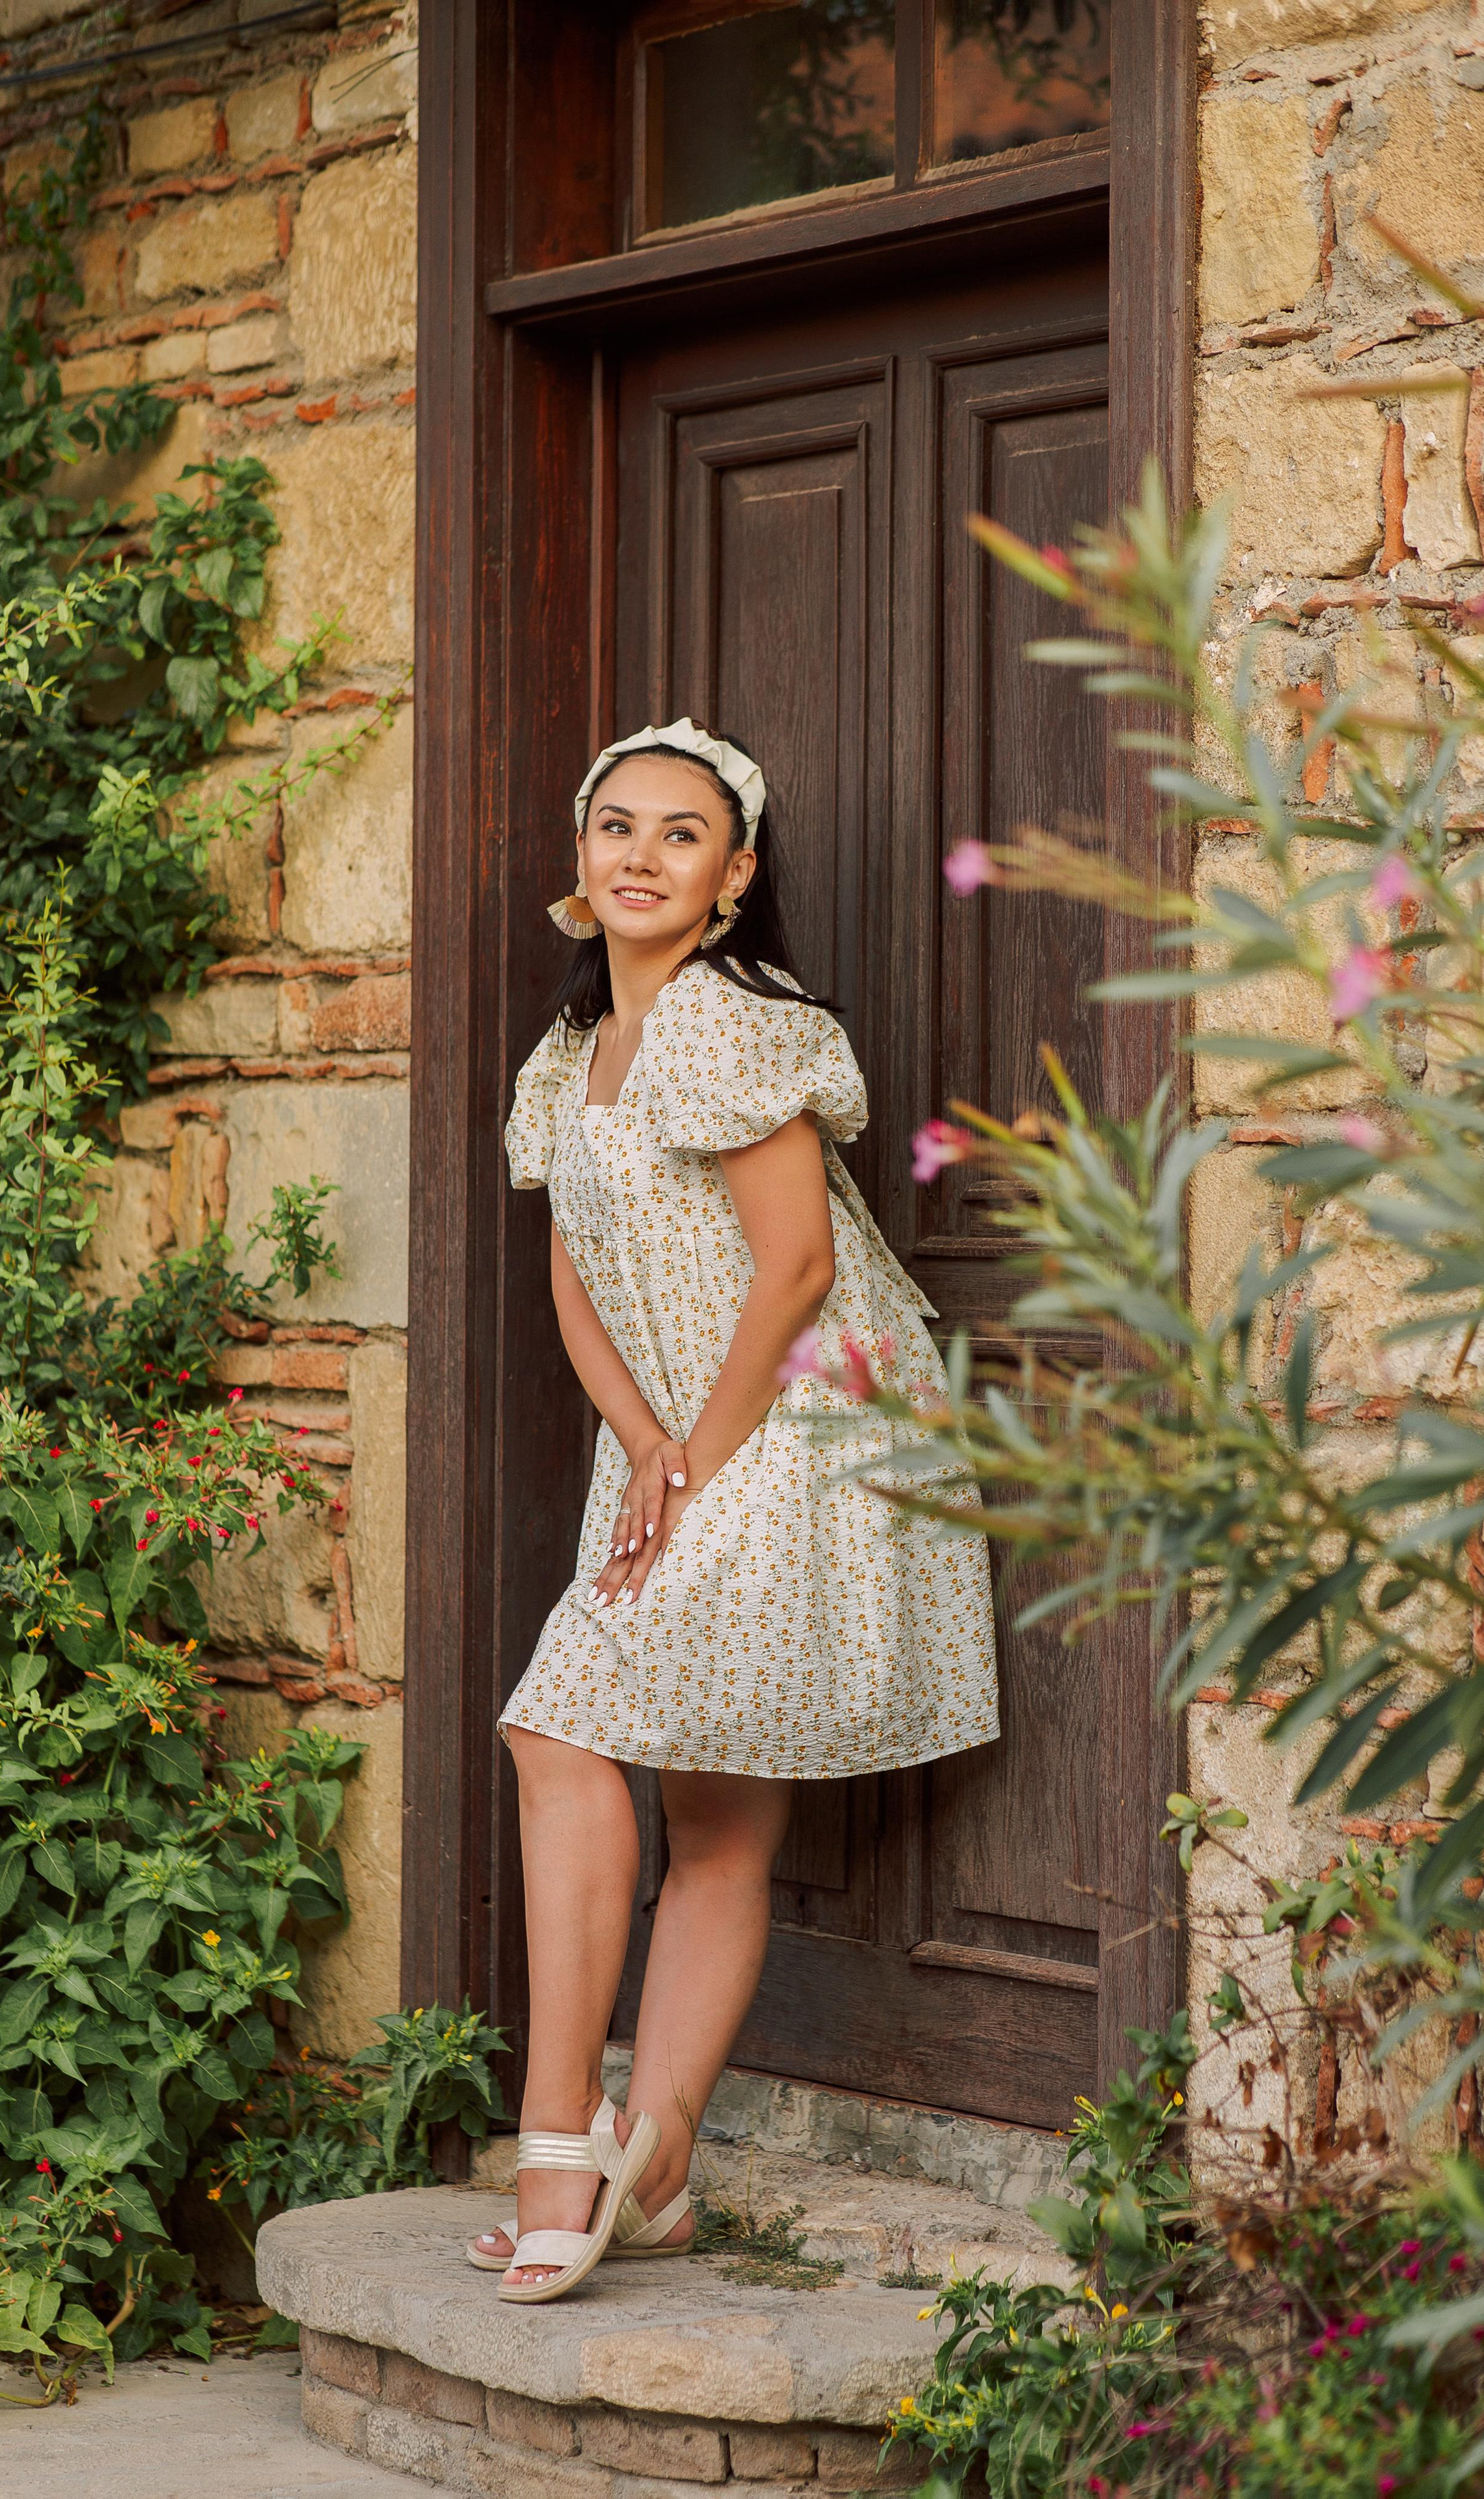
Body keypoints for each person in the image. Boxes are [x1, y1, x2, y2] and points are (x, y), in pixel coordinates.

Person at [470, 718, 997, 2304]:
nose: (636, 853)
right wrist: (638, 1444)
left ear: (734, 874)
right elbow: (571, 1278)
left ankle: (567, 2138)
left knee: (581, 1748)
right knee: (667, 1793)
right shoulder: (570, 1056)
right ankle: (661, 2169)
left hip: (802, 1423)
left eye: (678, 834)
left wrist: (690, 1458)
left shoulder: (733, 1022)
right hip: (676, 1439)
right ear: (579, 861)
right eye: (611, 825)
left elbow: (798, 1269)